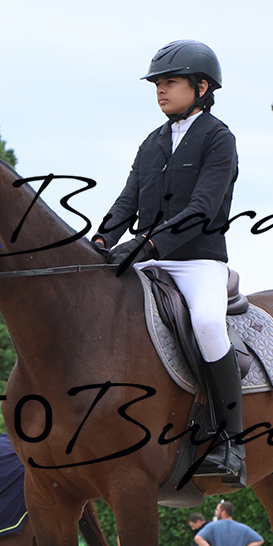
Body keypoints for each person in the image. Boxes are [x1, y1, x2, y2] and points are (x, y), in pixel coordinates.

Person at [92, 40, 245, 486]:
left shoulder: (219, 138)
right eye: (157, 83)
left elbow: (202, 209)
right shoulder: (152, 142)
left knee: (209, 325)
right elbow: (127, 201)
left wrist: (145, 245)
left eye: (170, 82)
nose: (160, 90)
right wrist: (101, 240)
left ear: (201, 87)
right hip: (148, 258)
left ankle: (232, 441)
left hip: (198, 262)